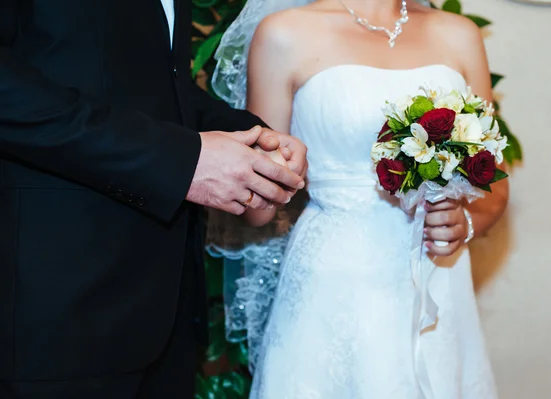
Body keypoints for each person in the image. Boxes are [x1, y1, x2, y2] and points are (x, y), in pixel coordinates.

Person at [0, 1, 307, 398]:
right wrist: (182, 161)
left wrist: (250, 138)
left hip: (164, 314)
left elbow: (150, 89)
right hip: (55, 308)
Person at [209, 0, 509, 397]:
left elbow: (494, 182)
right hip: (336, 278)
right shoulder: (282, 33)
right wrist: (272, 175)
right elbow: (258, 212)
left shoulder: (458, 33)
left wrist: (463, 221)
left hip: (439, 276)